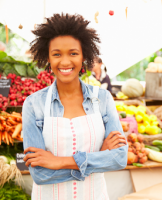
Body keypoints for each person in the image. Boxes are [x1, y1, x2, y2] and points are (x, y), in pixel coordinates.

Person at [22, 13, 127, 199]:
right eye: (56, 54)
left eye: (73, 53)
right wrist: (100, 156)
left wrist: (59, 162)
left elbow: (119, 159)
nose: (64, 62)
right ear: (47, 57)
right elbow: (40, 175)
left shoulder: (103, 99)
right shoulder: (33, 104)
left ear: (83, 56)